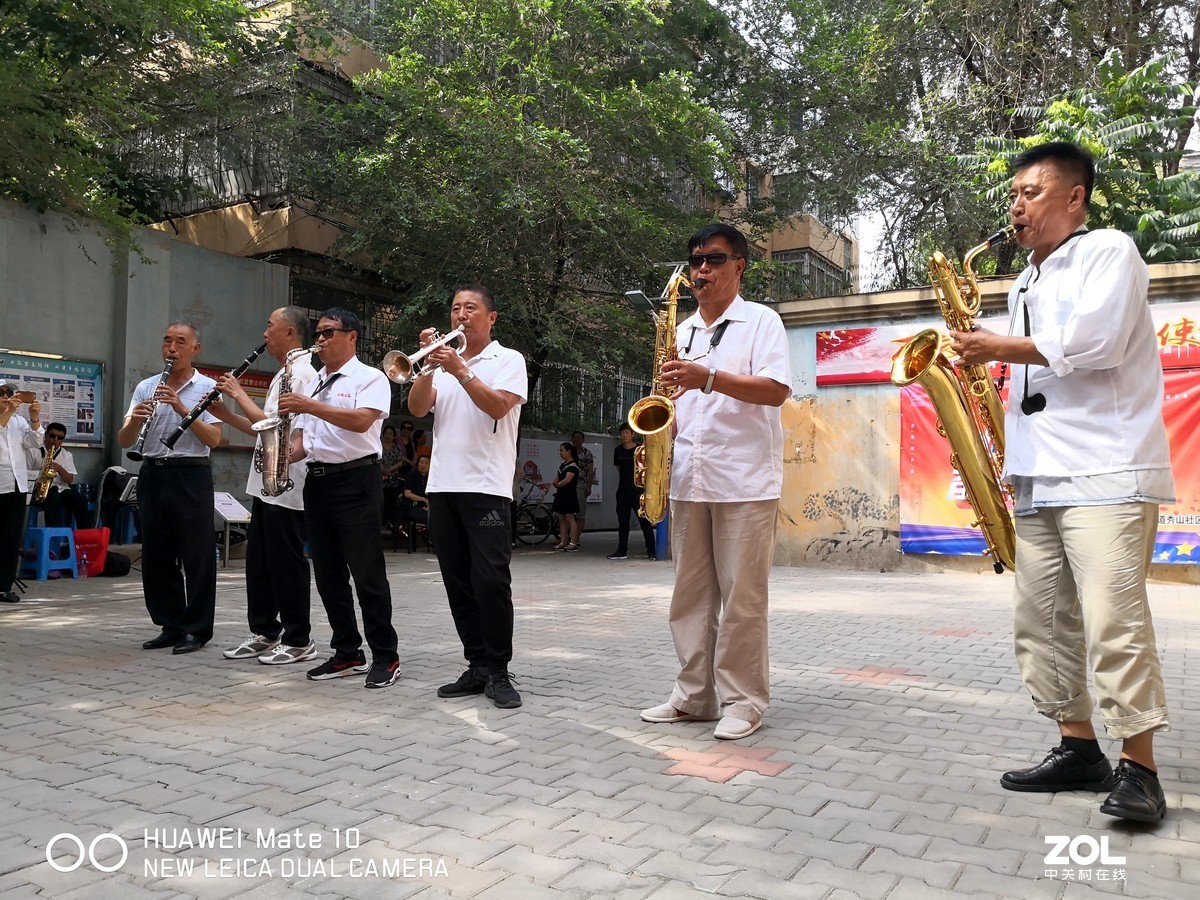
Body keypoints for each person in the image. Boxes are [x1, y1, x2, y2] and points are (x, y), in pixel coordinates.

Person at [949, 141, 1174, 822]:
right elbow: (1033, 377)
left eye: (1031, 193)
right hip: (1038, 473)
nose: (1016, 206)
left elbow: (1097, 344)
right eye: (1013, 195)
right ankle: (1078, 749)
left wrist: (1001, 347)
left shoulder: (1111, 250)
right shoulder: (1023, 282)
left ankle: (1140, 767)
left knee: (1115, 622)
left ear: (1074, 198)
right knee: (1041, 622)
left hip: (1106, 469)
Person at [639, 223, 791, 741]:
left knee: (742, 599)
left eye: (715, 259)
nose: (702, 269)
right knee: (690, 597)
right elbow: (678, 404)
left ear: (739, 266)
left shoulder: (761, 321)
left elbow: (774, 391)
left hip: (745, 480)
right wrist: (659, 434)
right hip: (689, 478)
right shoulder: (681, 332)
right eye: (696, 260)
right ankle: (694, 697)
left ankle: (744, 701)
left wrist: (706, 377)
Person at [407, 283, 528, 710]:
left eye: (471, 308)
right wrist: (425, 367)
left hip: (487, 488)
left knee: (491, 582)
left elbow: (498, 407)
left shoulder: (508, 360)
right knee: (457, 581)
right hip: (442, 487)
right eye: (456, 308)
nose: (461, 315)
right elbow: (419, 409)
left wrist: (460, 368)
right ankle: (476, 665)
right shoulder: (441, 365)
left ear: (491, 318)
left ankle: (498, 670)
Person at [280, 307, 401, 689]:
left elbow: (362, 421)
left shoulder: (371, 377)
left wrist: (308, 405)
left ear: (352, 336)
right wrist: (282, 455)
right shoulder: (313, 381)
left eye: (329, 332)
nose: (320, 340)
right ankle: (347, 651)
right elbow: (303, 440)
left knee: (367, 575)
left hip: (357, 481)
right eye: (317, 333)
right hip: (317, 482)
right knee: (329, 575)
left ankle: (386, 656)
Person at [211, 307, 318, 666]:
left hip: (287, 485)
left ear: (290, 332)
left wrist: (239, 393)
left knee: (287, 563)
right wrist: (226, 415)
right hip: (265, 482)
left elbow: (276, 427)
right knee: (259, 562)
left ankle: (299, 638)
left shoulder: (302, 374)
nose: (264, 333)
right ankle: (264, 631)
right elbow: (262, 429)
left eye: (270, 326)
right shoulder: (283, 373)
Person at [118, 323, 221, 653]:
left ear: (195, 348)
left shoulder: (206, 387)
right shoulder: (146, 386)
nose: (172, 348)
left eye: (180, 342)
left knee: (197, 555)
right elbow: (124, 440)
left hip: (190, 475)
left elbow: (214, 439)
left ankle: (198, 628)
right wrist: (134, 419)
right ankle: (171, 624)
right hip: (153, 473)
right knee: (157, 557)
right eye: (167, 341)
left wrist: (180, 407)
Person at [0, 383, 43, 603]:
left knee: (11, 537)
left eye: (9, 393)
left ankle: (4, 586)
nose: (6, 397)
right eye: (2, 393)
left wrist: (34, 418)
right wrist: (7, 412)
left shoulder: (18, 421)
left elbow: (35, 442)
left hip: (16, 484)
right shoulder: (8, 417)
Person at [608, 423, 657, 561]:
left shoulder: (640, 450)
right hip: (622, 491)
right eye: (622, 433)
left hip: (638, 491)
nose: (624, 435)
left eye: (627, 433)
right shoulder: (618, 451)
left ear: (632, 435)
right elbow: (619, 469)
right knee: (623, 522)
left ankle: (652, 551)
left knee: (644, 522)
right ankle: (622, 550)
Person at [26, 422, 86, 528]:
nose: (55, 440)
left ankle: (84, 534)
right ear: (45, 435)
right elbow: (25, 474)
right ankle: (54, 537)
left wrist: (59, 469)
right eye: (52, 436)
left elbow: (70, 480)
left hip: (61, 490)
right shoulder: (33, 451)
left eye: (60, 438)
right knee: (54, 499)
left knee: (80, 499)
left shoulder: (66, 455)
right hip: (39, 492)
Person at [549, 442, 580, 551]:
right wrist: (556, 484)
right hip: (560, 494)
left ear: (569, 451)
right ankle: (563, 541)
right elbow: (556, 480)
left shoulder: (573, 466)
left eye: (562, 450)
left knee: (570, 517)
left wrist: (558, 484)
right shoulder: (562, 466)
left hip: (569, 495)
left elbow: (566, 480)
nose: (560, 453)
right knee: (561, 517)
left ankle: (573, 542)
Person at [570, 430, 594, 542]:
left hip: (581, 484)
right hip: (569, 484)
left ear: (583, 440)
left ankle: (576, 538)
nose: (577, 440)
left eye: (579, 438)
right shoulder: (569, 452)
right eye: (575, 438)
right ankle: (567, 537)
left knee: (580, 513)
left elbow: (590, 471)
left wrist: (589, 486)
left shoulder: (587, 453)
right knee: (568, 513)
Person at [380, 425, 405, 528]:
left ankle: (390, 522)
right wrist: (382, 469)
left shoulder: (396, 447)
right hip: (379, 478)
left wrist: (389, 470)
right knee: (380, 501)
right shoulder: (378, 445)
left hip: (392, 479)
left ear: (394, 436)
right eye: (386, 433)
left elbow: (400, 462)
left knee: (391, 501)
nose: (388, 435)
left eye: (390, 433)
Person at [400, 454, 431, 529]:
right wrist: (423, 499)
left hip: (425, 507)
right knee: (428, 518)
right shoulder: (412, 475)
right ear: (417, 464)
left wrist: (429, 506)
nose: (423, 465)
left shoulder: (430, 478)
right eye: (421, 462)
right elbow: (407, 494)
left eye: (426, 463)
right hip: (411, 506)